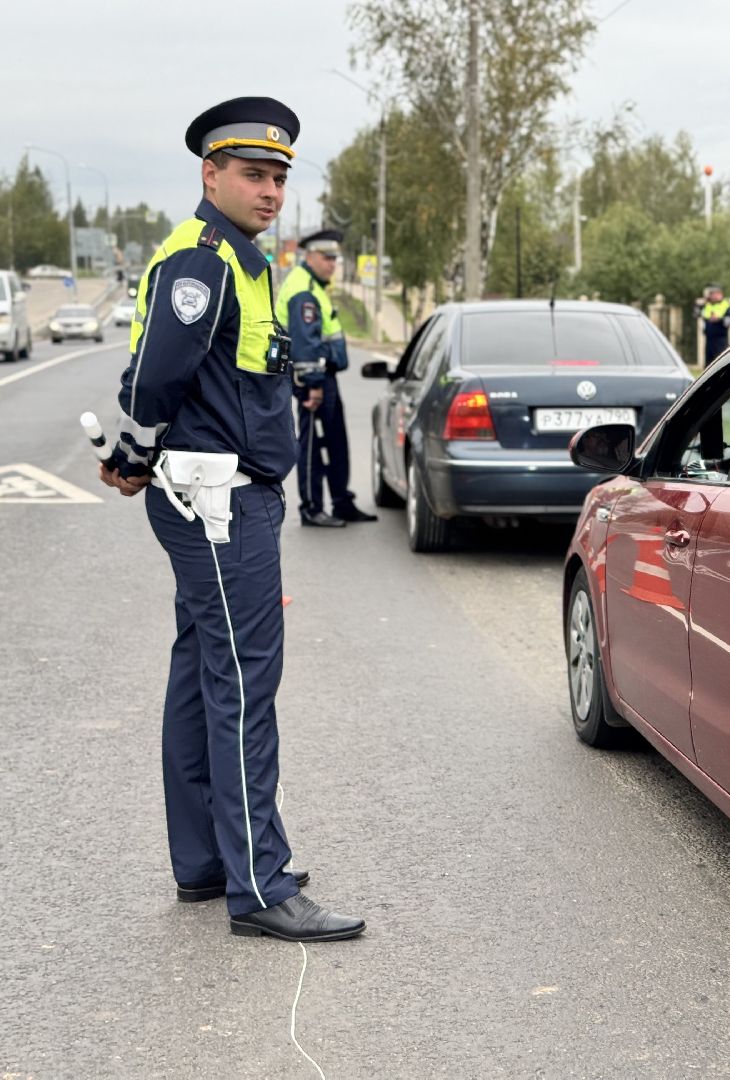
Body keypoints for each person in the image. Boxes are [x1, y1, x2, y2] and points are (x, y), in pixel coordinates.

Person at [97, 96, 365, 942]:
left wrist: (143, 456)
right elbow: (151, 378)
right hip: (218, 502)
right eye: (254, 173)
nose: (271, 190)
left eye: (280, 176)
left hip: (225, 494)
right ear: (210, 173)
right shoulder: (201, 262)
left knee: (200, 671)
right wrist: (134, 449)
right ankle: (260, 883)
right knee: (245, 682)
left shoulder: (247, 261)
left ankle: (207, 861)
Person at [277, 229, 376, 526]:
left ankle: (341, 501)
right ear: (310, 256)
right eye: (327, 258)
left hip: (324, 377)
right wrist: (313, 386)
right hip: (312, 380)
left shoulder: (316, 286)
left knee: (335, 443)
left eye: (335, 258)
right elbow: (305, 345)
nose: (332, 264)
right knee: (312, 447)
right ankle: (311, 508)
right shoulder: (304, 289)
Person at [696, 283, 730, 366]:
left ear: (719, 294)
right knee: (708, 366)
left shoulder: (727, 305)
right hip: (709, 340)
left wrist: (719, 319)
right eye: (710, 294)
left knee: (720, 364)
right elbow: (695, 314)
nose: (710, 296)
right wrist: (701, 303)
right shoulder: (707, 305)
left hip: (721, 341)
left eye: (712, 294)